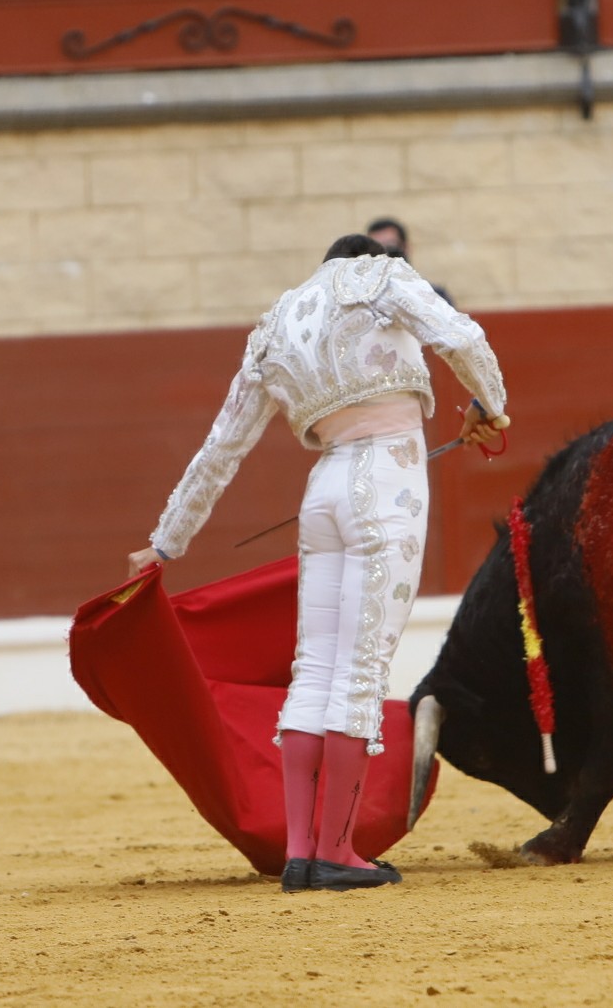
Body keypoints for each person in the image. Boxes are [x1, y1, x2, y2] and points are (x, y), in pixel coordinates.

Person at [125, 234, 509, 893]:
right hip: (386, 482)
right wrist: (491, 406)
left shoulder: (277, 324)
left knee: (315, 671)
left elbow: (221, 449)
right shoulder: (384, 277)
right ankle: (338, 851)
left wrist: (164, 542)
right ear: (364, 258)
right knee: (358, 671)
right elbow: (463, 339)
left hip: (323, 492)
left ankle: (302, 852)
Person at [366, 216, 455, 305]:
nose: (384, 255)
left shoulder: (433, 295)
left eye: (390, 248)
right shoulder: (364, 300)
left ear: (406, 248)